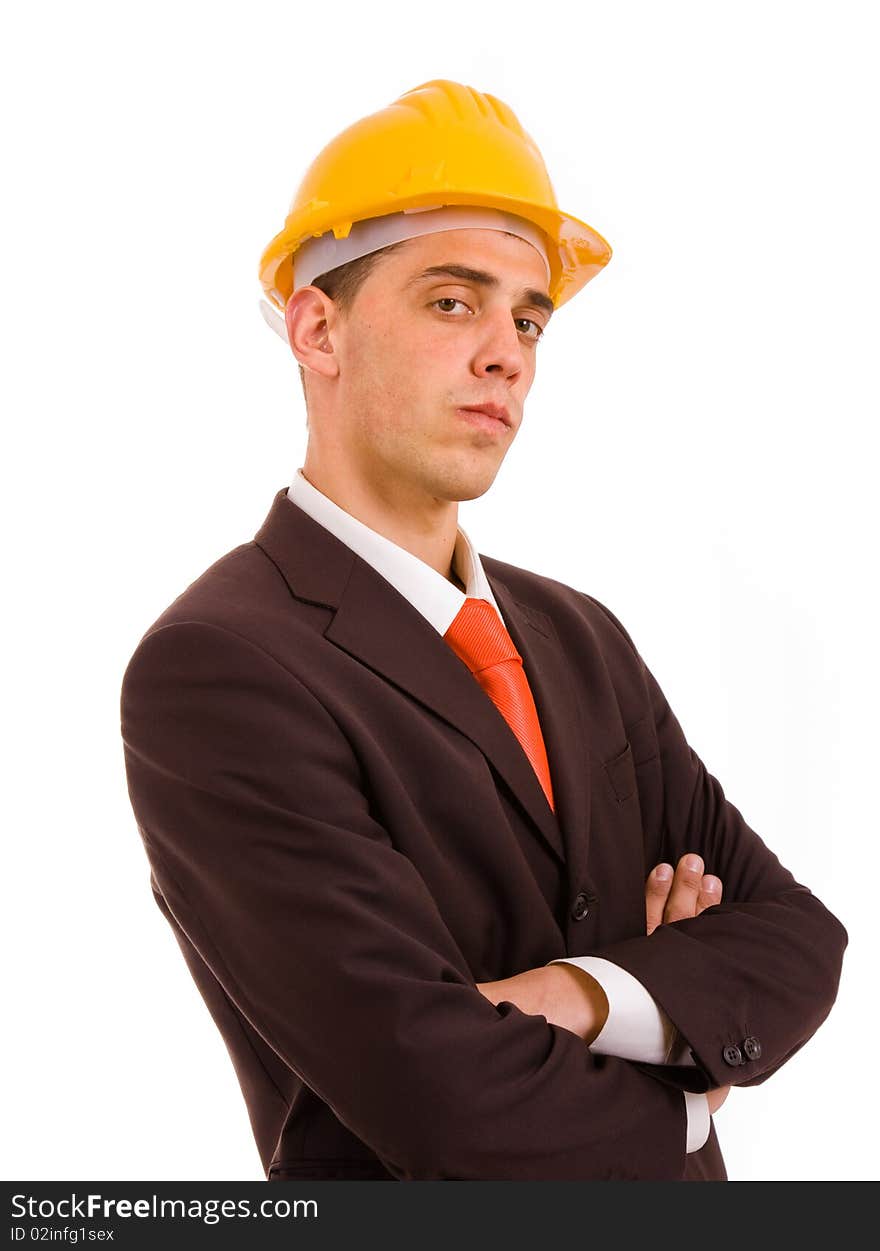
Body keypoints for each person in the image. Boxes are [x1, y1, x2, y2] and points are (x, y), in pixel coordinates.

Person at [119, 79, 847, 1182]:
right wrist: (684, 1082)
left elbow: (797, 937)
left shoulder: (578, 635)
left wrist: (584, 993)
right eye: (453, 301)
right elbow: (438, 1099)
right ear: (319, 326)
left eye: (528, 316)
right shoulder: (221, 669)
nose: (507, 352)